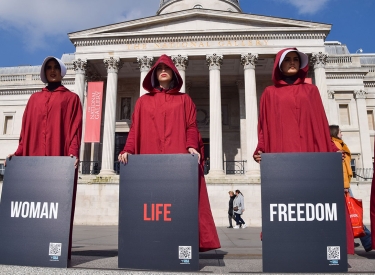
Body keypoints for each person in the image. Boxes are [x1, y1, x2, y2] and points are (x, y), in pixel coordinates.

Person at [253, 48, 354, 254]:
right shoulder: (269, 93)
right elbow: (263, 126)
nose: (292, 63)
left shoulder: (312, 91)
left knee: (313, 201)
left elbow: (320, 122)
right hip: (283, 153)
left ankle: (317, 246)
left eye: (295, 60)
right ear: (278, 65)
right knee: (286, 202)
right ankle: (286, 247)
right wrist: (261, 148)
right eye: (287, 60)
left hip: (310, 153)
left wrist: (330, 148)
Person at [118, 54, 220, 252]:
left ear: (174, 73)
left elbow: (191, 125)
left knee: (177, 203)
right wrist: (127, 149)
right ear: (154, 74)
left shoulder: (184, 100)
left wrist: (192, 145)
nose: (163, 70)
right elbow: (135, 129)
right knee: (153, 204)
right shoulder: (143, 102)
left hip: (177, 157)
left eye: (167, 68)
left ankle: (178, 244)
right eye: (159, 68)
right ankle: (152, 245)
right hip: (150, 158)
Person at [5, 56, 83, 259]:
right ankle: (30, 246)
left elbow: (75, 130)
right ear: (44, 72)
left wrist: (73, 152)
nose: (52, 70)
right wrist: (19, 151)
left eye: (56, 67)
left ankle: (56, 250)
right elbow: (26, 130)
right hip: (35, 160)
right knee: (33, 205)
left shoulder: (71, 98)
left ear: (62, 70)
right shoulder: (34, 99)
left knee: (57, 205)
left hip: (59, 160)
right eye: (48, 67)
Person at [330, 125, 373, 252]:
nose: (342, 134)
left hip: (344, 184)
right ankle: (368, 241)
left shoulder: (339, 144)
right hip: (342, 185)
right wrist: (345, 186)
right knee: (352, 213)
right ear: (335, 133)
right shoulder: (336, 145)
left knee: (349, 214)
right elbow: (342, 168)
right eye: (340, 132)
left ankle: (365, 241)